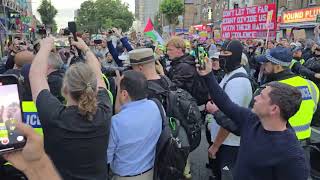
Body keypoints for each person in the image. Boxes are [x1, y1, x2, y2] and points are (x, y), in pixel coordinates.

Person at [198, 57, 309, 180]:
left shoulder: (291, 154)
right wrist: (208, 75)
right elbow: (226, 103)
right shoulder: (252, 120)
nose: (255, 98)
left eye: (261, 96)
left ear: (274, 109)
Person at [29, 37, 113, 180]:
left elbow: (36, 75)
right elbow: (97, 72)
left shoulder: (54, 116)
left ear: (65, 88)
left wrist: (45, 46)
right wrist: (85, 48)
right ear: (94, 89)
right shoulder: (104, 111)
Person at [206, 40, 252, 180]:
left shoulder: (237, 82)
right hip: (225, 142)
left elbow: (230, 119)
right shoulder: (229, 73)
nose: (221, 57)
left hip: (229, 144)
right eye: (221, 53)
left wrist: (215, 145)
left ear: (236, 55)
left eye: (226, 53)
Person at [107, 70, 162, 179]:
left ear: (124, 94)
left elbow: (107, 157)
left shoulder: (116, 123)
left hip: (125, 176)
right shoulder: (155, 106)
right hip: (151, 172)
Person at [166, 36, 208, 105]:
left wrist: (161, 73)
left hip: (189, 107)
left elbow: (172, 89)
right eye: (167, 50)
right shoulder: (178, 64)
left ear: (179, 50)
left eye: (170, 50)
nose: (167, 52)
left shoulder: (184, 66)